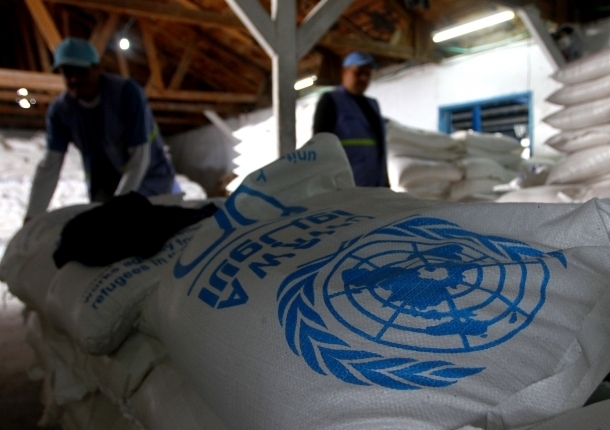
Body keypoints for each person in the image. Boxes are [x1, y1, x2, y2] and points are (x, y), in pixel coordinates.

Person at [24, 37, 179, 222]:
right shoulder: (61, 111)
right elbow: (50, 165)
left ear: (98, 68)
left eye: (82, 71)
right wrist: (32, 215)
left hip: (150, 179)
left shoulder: (126, 93)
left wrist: (118, 205)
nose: (75, 79)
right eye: (67, 73)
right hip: (105, 185)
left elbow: (139, 158)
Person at [313, 51, 389, 187]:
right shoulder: (331, 101)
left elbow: (380, 147)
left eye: (367, 74)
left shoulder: (373, 105)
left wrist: (385, 182)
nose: (363, 78)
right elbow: (320, 147)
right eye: (358, 72)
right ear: (344, 72)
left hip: (374, 186)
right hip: (345, 187)